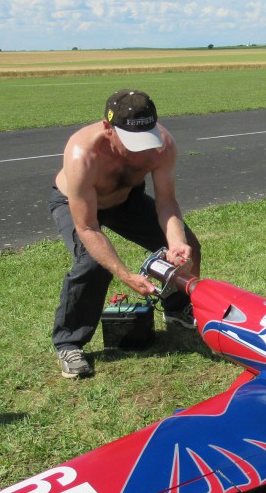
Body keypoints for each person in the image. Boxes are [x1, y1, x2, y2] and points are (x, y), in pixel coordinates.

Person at [49, 89, 200, 379]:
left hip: (127, 199)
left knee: (187, 245)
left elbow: (167, 202)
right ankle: (69, 343)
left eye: (146, 139)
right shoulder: (83, 154)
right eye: (131, 142)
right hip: (76, 204)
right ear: (108, 127)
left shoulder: (163, 145)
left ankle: (177, 308)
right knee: (92, 265)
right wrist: (126, 275)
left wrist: (176, 241)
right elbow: (88, 227)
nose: (140, 150)